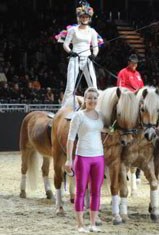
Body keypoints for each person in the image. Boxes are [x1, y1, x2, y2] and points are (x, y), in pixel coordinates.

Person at [65, 87, 104, 233]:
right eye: (89, 98)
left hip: (99, 157)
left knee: (96, 192)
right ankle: (80, 225)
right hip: (82, 158)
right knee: (80, 191)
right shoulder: (78, 116)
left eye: (95, 98)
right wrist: (69, 159)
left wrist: (110, 130)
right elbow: (70, 139)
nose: (92, 100)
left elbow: (101, 129)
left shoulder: (100, 115)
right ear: (85, 99)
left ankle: (93, 224)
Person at [62, 1, 99, 106]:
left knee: (93, 86)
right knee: (70, 87)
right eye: (82, 17)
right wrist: (71, 52)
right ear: (79, 17)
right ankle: (63, 110)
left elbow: (95, 47)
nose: (84, 19)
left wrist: (93, 55)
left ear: (89, 18)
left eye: (86, 17)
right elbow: (65, 44)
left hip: (87, 59)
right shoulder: (73, 30)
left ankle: (97, 108)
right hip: (75, 59)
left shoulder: (92, 31)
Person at [117, 53, 144, 182]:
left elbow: (142, 88)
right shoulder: (123, 72)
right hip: (127, 100)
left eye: (136, 63)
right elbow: (120, 88)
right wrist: (132, 94)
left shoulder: (138, 74)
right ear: (129, 62)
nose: (134, 65)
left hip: (138, 100)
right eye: (132, 62)